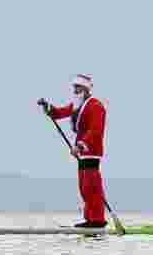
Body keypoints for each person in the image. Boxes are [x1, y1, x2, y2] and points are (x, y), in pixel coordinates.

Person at [37, 74, 108, 228]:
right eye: (74, 87)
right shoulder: (78, 105)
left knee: (91, 186)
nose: (75, 90)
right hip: (82, 152)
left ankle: (97, 220)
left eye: (79, 87)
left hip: (91, 151)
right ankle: (90, 219)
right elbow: (59, 112)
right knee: (84, 187)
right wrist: (47, 107)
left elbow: (96, 130)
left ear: (87, 89)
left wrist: (81, 145)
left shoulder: (96, 106)